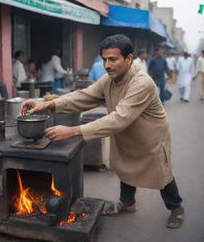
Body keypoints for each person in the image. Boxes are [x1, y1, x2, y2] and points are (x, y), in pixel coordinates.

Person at [21, 34, 184, 229]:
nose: (107, 65)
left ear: (129, 59)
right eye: (104, 59)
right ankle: (128, 203)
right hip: (126, 133)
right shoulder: (109, 80)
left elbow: (119, 118)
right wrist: (46, 104)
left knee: (160, 174)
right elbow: (83, 96)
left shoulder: (142, 83)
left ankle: (176, 208)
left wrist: (73, 130)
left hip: (150, 137)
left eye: (113, 59)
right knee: (125, 167)